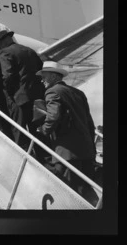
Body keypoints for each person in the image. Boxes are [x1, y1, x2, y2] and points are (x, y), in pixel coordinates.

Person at [35, 60, 98, 204]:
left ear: (53, 76)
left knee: (67, 194)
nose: (42, 79)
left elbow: (53, 115)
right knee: (84, 192)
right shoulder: (78, 93)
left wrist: (43, 130)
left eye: (44, 76)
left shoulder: (52, 91)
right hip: (86, 151)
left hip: (67, 153)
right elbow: (89, 123)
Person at [0, 30, 44, 151]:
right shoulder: (29, 50)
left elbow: (7, 75)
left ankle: (26, 159)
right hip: (36, 96)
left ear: (4, 41)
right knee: (37, 130)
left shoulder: (5, 52)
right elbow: (40, 68)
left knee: (19, 130)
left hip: (19, 97)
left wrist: (6, 92)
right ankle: (44, 160)